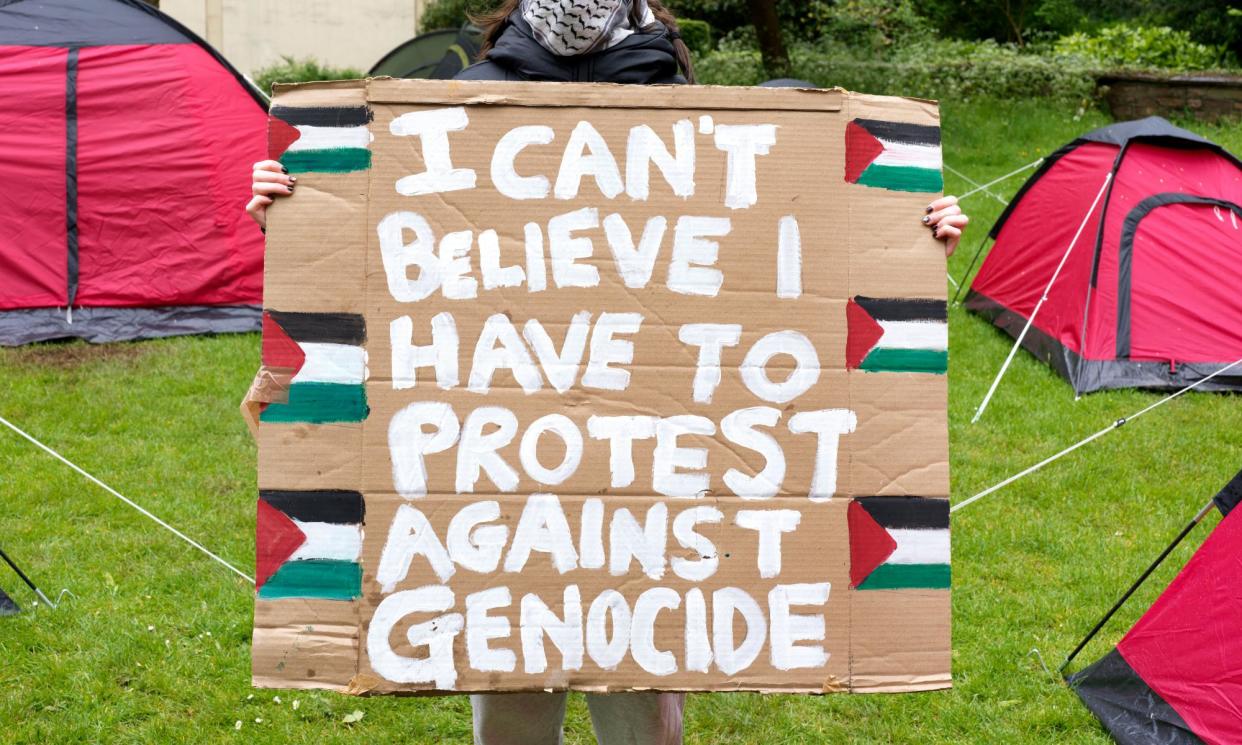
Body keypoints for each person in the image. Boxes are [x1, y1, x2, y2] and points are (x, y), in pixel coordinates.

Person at [242, 2, 968, 742]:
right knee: (512, 720)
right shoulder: (463, 103)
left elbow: (789, 248)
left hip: (655, 517)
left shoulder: (687, 113)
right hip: (503, 507)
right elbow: (374, 257)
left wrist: (904, 229)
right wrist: (303, 208)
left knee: (644, 729)